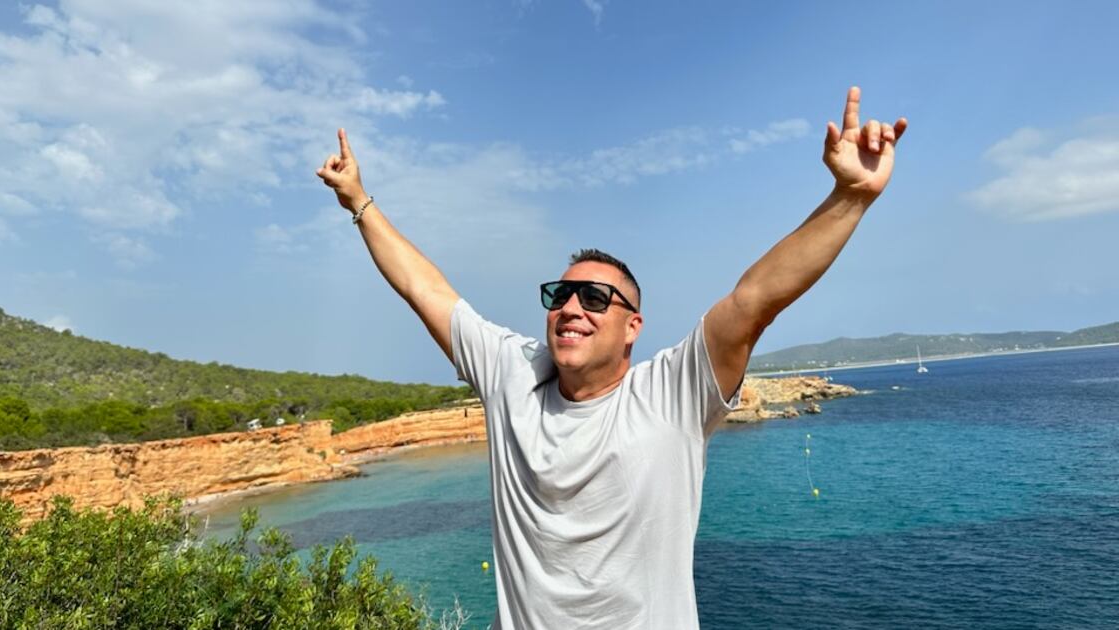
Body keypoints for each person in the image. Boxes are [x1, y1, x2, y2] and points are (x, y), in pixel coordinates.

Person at [317, 87, 906, 630]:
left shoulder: (671, 395)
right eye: (561, 295)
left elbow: (755, 300)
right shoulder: (511, 375)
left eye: (596, 298)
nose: (572, 308)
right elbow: (425, 289)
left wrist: (849, 198)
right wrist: (359, 201)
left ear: (632, 328)